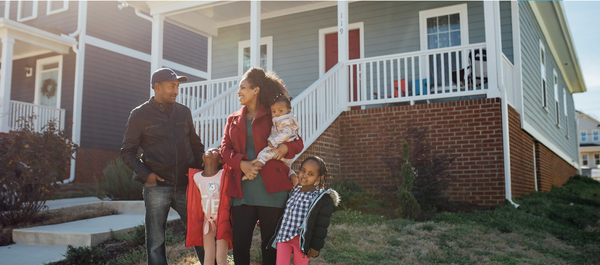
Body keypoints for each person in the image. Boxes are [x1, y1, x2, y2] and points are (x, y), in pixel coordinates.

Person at [121, 68, 205, 265]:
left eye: (177, 86)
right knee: (156, 241)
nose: (176, 90)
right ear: (157, 87)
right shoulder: (139, 115)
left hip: (187, 184)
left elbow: (196, 145)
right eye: (171, 86)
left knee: (200, 232)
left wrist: (201, 170)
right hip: (157, 187)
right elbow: (127, 152)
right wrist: (145, 174)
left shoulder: (184, 112)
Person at [221, 67, 304, 265]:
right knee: (240, 243)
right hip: (242, 191)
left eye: (243, 88)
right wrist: (242, 163)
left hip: (273, 191)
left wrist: (285, 147)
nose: (239, 92)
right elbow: (224, 149)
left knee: (270, 246)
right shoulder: (232, 119)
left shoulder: (274, 113)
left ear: (256, 90)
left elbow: (297, 142)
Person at [270, 156, 339, 265]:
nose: (305, 175)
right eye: (303, 170)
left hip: (302, 241)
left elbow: (321, 225)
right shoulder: (293, 191)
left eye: (311, 174)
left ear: (319, 178)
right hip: (284, 236)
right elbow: (283, 212)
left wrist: (315, 246)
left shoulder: (320, 198)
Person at [186, 148, 232, 265]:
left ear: (220, 161)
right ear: (202, 161)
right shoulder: (196, 177)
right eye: (208, 150)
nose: (211, 150)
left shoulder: (224, 174)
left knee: (221, 257)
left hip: (223, 219)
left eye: (216, 150)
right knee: (208, 256)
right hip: (208, 220)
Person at [242, 93, 300, 186]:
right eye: (274, 111)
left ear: (288, 111)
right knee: (287, 167)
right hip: (287, 154)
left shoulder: (285, 121)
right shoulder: (283, 119)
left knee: (263, 155)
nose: (277, 113)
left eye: (280, 111)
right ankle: (293, 177)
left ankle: (252, 173)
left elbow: (286, 134)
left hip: (278, 148)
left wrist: (273, 141)